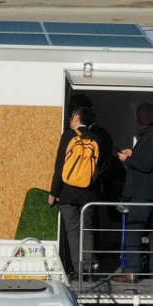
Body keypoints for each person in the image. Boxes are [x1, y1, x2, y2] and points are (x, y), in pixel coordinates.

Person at [116, 103, 153, 276]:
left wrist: (127, 159)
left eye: (139, 117)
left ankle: (133, 270)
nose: (137, 120)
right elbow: (152, 160)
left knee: (134, 229)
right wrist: (133, 154)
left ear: (147, 117)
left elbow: (147, 165)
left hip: (144, 192)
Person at [50, 103, 104, 277]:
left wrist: (54, 192)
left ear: (76, 118)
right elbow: (100, 168)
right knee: (87, 229)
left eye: (72, 117)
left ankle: (78, 270)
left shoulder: (68, 136)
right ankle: (89, 268)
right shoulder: (97, 139)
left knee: (73, 231)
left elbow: (60, 166)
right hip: (89, 193)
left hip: (68, 192)